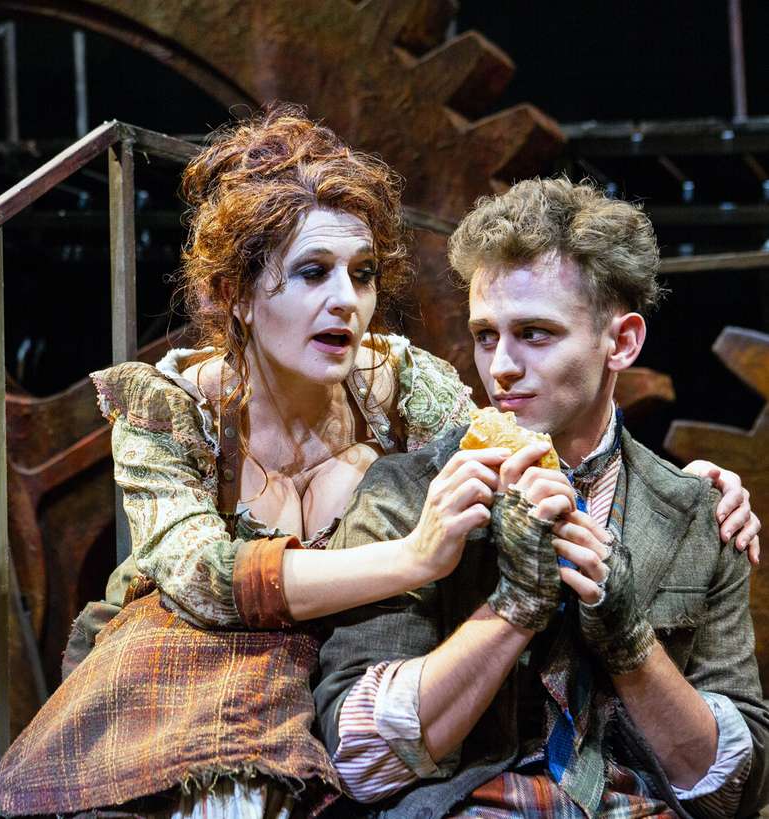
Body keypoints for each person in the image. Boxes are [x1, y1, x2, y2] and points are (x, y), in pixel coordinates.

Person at [0, 111, 757, 819]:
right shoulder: (171, 407)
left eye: (362, 274)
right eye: (313, 272)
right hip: (199, 657)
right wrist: (413, 555)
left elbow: (520, 438)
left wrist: (687, 491)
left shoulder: (398, 381)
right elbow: (203, 575)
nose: (347, 300)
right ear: (237, 292)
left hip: (345, 663)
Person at [315, 177, 768, 818]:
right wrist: (515, 608)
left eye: (535, 334)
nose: (500, 365)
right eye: (485, 334)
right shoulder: (409, 494)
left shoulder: (698, 512)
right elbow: (357, 758)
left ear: (623, 342)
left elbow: (735, 792)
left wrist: (630, 642)